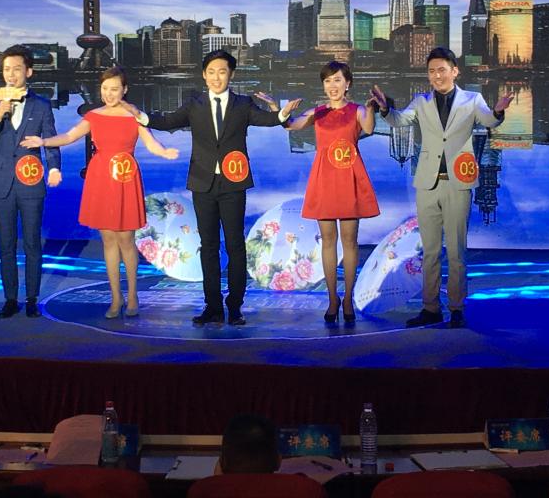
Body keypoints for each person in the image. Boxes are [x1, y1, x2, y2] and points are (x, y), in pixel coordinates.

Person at [124, 50, 300, 326]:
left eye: (222, 72)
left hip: (233, 183)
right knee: (208, 246)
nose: (217, 77)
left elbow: (266, 120)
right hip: (202, 183)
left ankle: (235, 306)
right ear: (204, 75)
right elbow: (168, 122)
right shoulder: (194, 104)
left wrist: (281, 114)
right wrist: (141, 117)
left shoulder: (242, 104)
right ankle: (213, 306)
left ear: (231, 74)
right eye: (212, 72)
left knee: (235, 244)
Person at [371, 47, 511, 329]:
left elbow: (488, 119)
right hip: (427, 182)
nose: (437, 76)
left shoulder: (472, 99)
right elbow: (400, 120)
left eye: (442, 70)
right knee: (431, 251)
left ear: (454, 71)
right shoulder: (421, 102)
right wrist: (385, 109)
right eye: (432, 71)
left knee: (457, 251)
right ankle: (430, 308)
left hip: (458, 182)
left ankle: (457, 308)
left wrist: (498, 111)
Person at [21, 66, 178, 318]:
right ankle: (116, 298)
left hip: (125, 177)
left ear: (124, 90)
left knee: (126, 240)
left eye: (114, 89)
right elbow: (69, 137)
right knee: (108, 240)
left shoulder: (134, 116)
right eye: (105, 89)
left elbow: (151, 143)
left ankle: (133, 295)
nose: (109, 94)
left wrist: (164, 152)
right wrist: (43, 141)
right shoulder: (94, 116)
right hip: (101, 178)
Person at [268, 61, 379, 325]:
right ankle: (332, 299)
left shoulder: (357, 110)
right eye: (328, 81)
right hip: (324, 179)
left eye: (337, 80)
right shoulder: (317, 112)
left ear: (347, 84)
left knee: (350, 241)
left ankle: (348, 298)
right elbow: (291, 125)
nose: (332, 86)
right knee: (328, 240)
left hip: (349, 178)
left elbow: (369, 128)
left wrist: (372, 108)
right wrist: (277, 109)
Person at [0, 45, 62, 319]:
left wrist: (54, 168)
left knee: (32, 243)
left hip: (30, 180)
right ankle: (10, 299)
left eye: (16, 69)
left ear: (29, 72)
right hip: (0, 182)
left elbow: (50, 141)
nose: (11, 74)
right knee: (6, 244)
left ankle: (32, 298)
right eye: (6, 69)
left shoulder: (42, 105)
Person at [216, 413, 281, 475]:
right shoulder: (286, 483)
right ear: (278, 461)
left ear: (222, 461)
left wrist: (216, 480)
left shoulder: (211, 483)